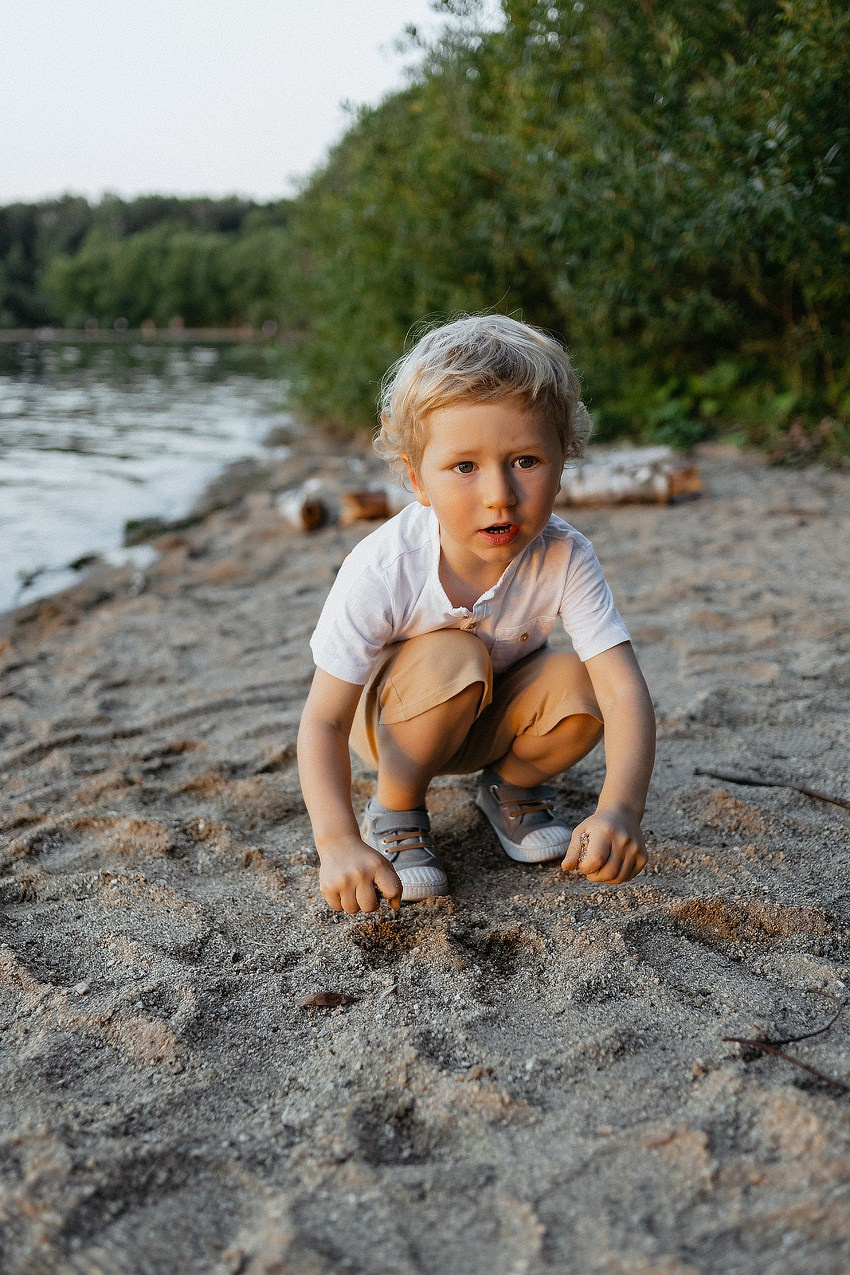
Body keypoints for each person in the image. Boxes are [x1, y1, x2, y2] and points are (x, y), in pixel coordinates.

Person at [297, 314, 656, 913]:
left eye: (526, 461)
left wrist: (621, 810)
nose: (499, 494)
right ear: (417, 479)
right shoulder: (387, 566)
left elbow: (624, 693)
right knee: (453, 654)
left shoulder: (565, 554)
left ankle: (510, 788)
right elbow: (323, 722)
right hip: (392, 723)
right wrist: (335, 844)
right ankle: (397, 809)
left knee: (583, 684)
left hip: (491, 715)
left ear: (562, 461)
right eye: (464, 467)